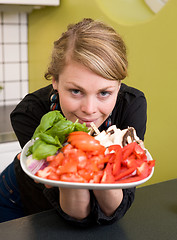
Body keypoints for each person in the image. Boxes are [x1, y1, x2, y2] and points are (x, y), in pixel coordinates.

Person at [0, 18, 147, 226]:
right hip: (15, 200)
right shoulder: (30, 113)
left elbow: (115, 209)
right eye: (76, 91)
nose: (89, 109)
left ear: (119, 85)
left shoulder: (131, 106)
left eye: (104, 93)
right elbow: (77, 214)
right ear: (55, 81)